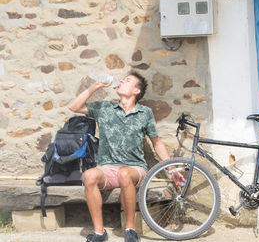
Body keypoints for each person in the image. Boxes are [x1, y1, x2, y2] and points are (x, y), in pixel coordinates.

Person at [68, 71, 185, 242]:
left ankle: (130, 229)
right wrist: (95, 87)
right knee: (89, 175)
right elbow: (74, 107)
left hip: (134, 168)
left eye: (128, 80)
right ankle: (99, 232)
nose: (121, 81)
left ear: (136, 91)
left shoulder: (145, 113)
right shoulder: (104, 108)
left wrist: (172, 169)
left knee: (124, 174)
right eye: (122, 79)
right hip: (107, 167)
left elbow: (157, 143)